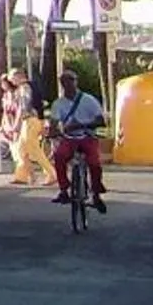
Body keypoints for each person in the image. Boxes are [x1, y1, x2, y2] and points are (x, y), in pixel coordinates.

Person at [47, 68, 109, 212]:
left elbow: (101, 121)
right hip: (69, 138)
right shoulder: (59, 103)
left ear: (76, 82)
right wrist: (53, 133)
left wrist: (81, 125)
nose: (68, 84)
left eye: (71, 81)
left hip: (87, 136)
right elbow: (54, 123)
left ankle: (96, 194)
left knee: (94, 163)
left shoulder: (88, 100)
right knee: (59, 157)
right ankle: (64, 190)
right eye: (64, 82)